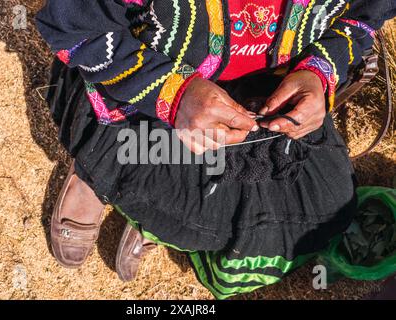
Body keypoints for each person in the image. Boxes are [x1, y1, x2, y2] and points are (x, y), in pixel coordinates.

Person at [36, 0, 396, 298]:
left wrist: (320, 70)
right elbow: (73, 25)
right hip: (145, 93)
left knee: (327, 203)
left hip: (262, 97)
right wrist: (171, 93)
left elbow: (362, 18)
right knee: (132, 160)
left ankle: (150, 219)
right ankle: (93, 178)